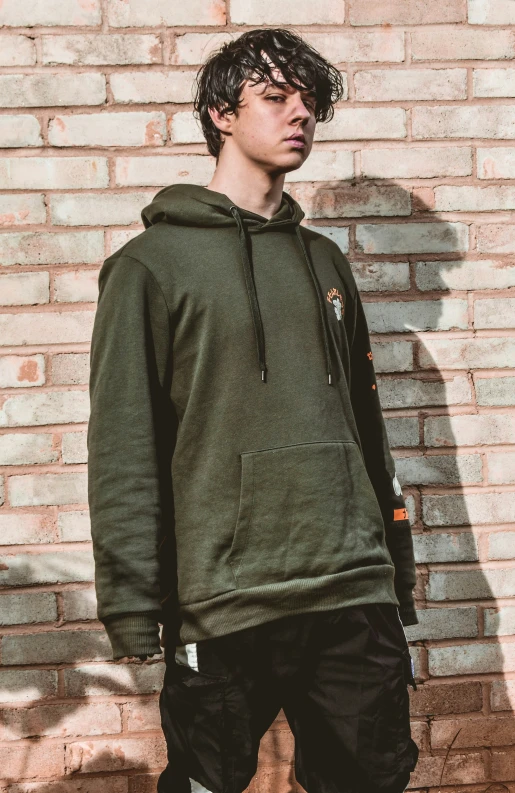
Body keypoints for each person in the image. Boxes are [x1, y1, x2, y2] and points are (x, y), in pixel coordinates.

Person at [87, 27, 419, 793]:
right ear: (221, 113)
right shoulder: (149, 268)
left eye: (309, 102)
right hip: (224, 598)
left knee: (370, 780)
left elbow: (366, 434)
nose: (298, 113)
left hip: (349, 587)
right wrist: (133, 605)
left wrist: (394, 571)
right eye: (275, 97)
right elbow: (124, 442)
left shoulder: (324, 262)